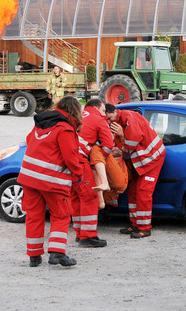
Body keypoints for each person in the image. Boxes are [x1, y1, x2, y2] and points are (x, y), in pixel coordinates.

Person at [17, 98, 83, 267]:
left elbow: (29, 140)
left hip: (30, 178)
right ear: (75, 111)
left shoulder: (40, 123)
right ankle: (57, 253)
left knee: (33, 216)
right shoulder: (65, 129)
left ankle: (34, 256)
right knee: (61, 215)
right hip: (52, 181)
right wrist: (79, 173)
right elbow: (70, 157)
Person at [107, 104, 166, 238]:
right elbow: (125, 148)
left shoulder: (129, 118)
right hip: (141, 161)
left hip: (152, 159)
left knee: (143, 192)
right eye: (107, 120)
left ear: (115, 111)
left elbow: (129, 147)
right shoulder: (120, 121)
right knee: (133, 191)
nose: (109, 122)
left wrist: (122, 138)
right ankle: (135, 224)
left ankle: (145, 228)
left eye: (110, 118)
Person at [71, 98, 115, 248]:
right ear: (96, 108)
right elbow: (108, 145)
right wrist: (98, 158)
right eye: (103, 110)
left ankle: (79, 232)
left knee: (76, 197)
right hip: (81, 161)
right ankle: (88, 236)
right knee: (89, 196)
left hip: (68, 160)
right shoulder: (99, 119)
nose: (104, 114)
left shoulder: (77, 116)